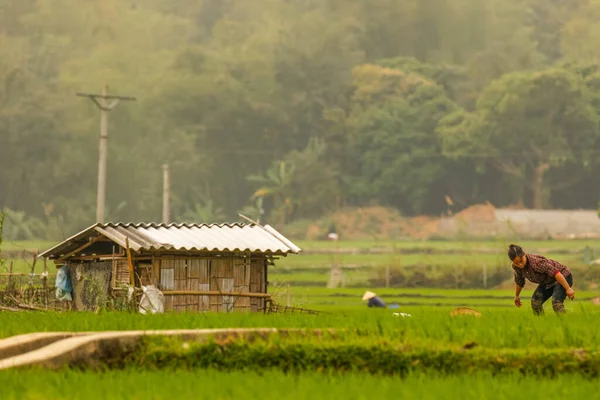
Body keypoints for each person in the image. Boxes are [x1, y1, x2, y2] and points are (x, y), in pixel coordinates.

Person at [508, 244, 575, 315]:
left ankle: (565, 323)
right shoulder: (516, 267)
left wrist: (568, 288)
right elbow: (519, 281)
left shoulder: (536, 263)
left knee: (557, 303)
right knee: (535, 302)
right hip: (547, 281)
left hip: (563, 276)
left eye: (521, 261)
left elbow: (556, 273)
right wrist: (517, 296)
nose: (520, 265)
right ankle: (542, 323)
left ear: (524, 254)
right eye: (516, 263)